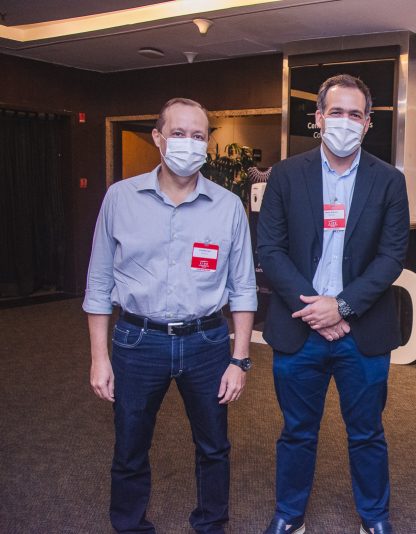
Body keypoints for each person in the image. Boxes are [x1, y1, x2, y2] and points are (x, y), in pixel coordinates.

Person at [84, 97, 257, 533]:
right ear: (158, 138)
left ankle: (211, 524)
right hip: (138, 341)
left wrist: (239, 360)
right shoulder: (120, 198)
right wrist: (99, 358)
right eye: (178, 133)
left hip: (207, 342)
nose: (189, 143)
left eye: (198, 136)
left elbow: (242, 288)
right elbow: (99, 284)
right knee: (130, 446)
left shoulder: (227, 206)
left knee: (214, 446)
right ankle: (129, 525)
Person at [257, 74, 409, 534]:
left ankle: (374, 517)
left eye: (355, 114)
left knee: (367, 433)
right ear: (319, 118)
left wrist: (340, 307)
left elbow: (391, 257)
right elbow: (271, 251)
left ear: (368, 122)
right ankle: (290, 516)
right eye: (336, 112)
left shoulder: (389, 181)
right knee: (296, 432)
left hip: (361, 333)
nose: (345, 121)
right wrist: (316, 310)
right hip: (298, 328)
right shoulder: (286, 175)